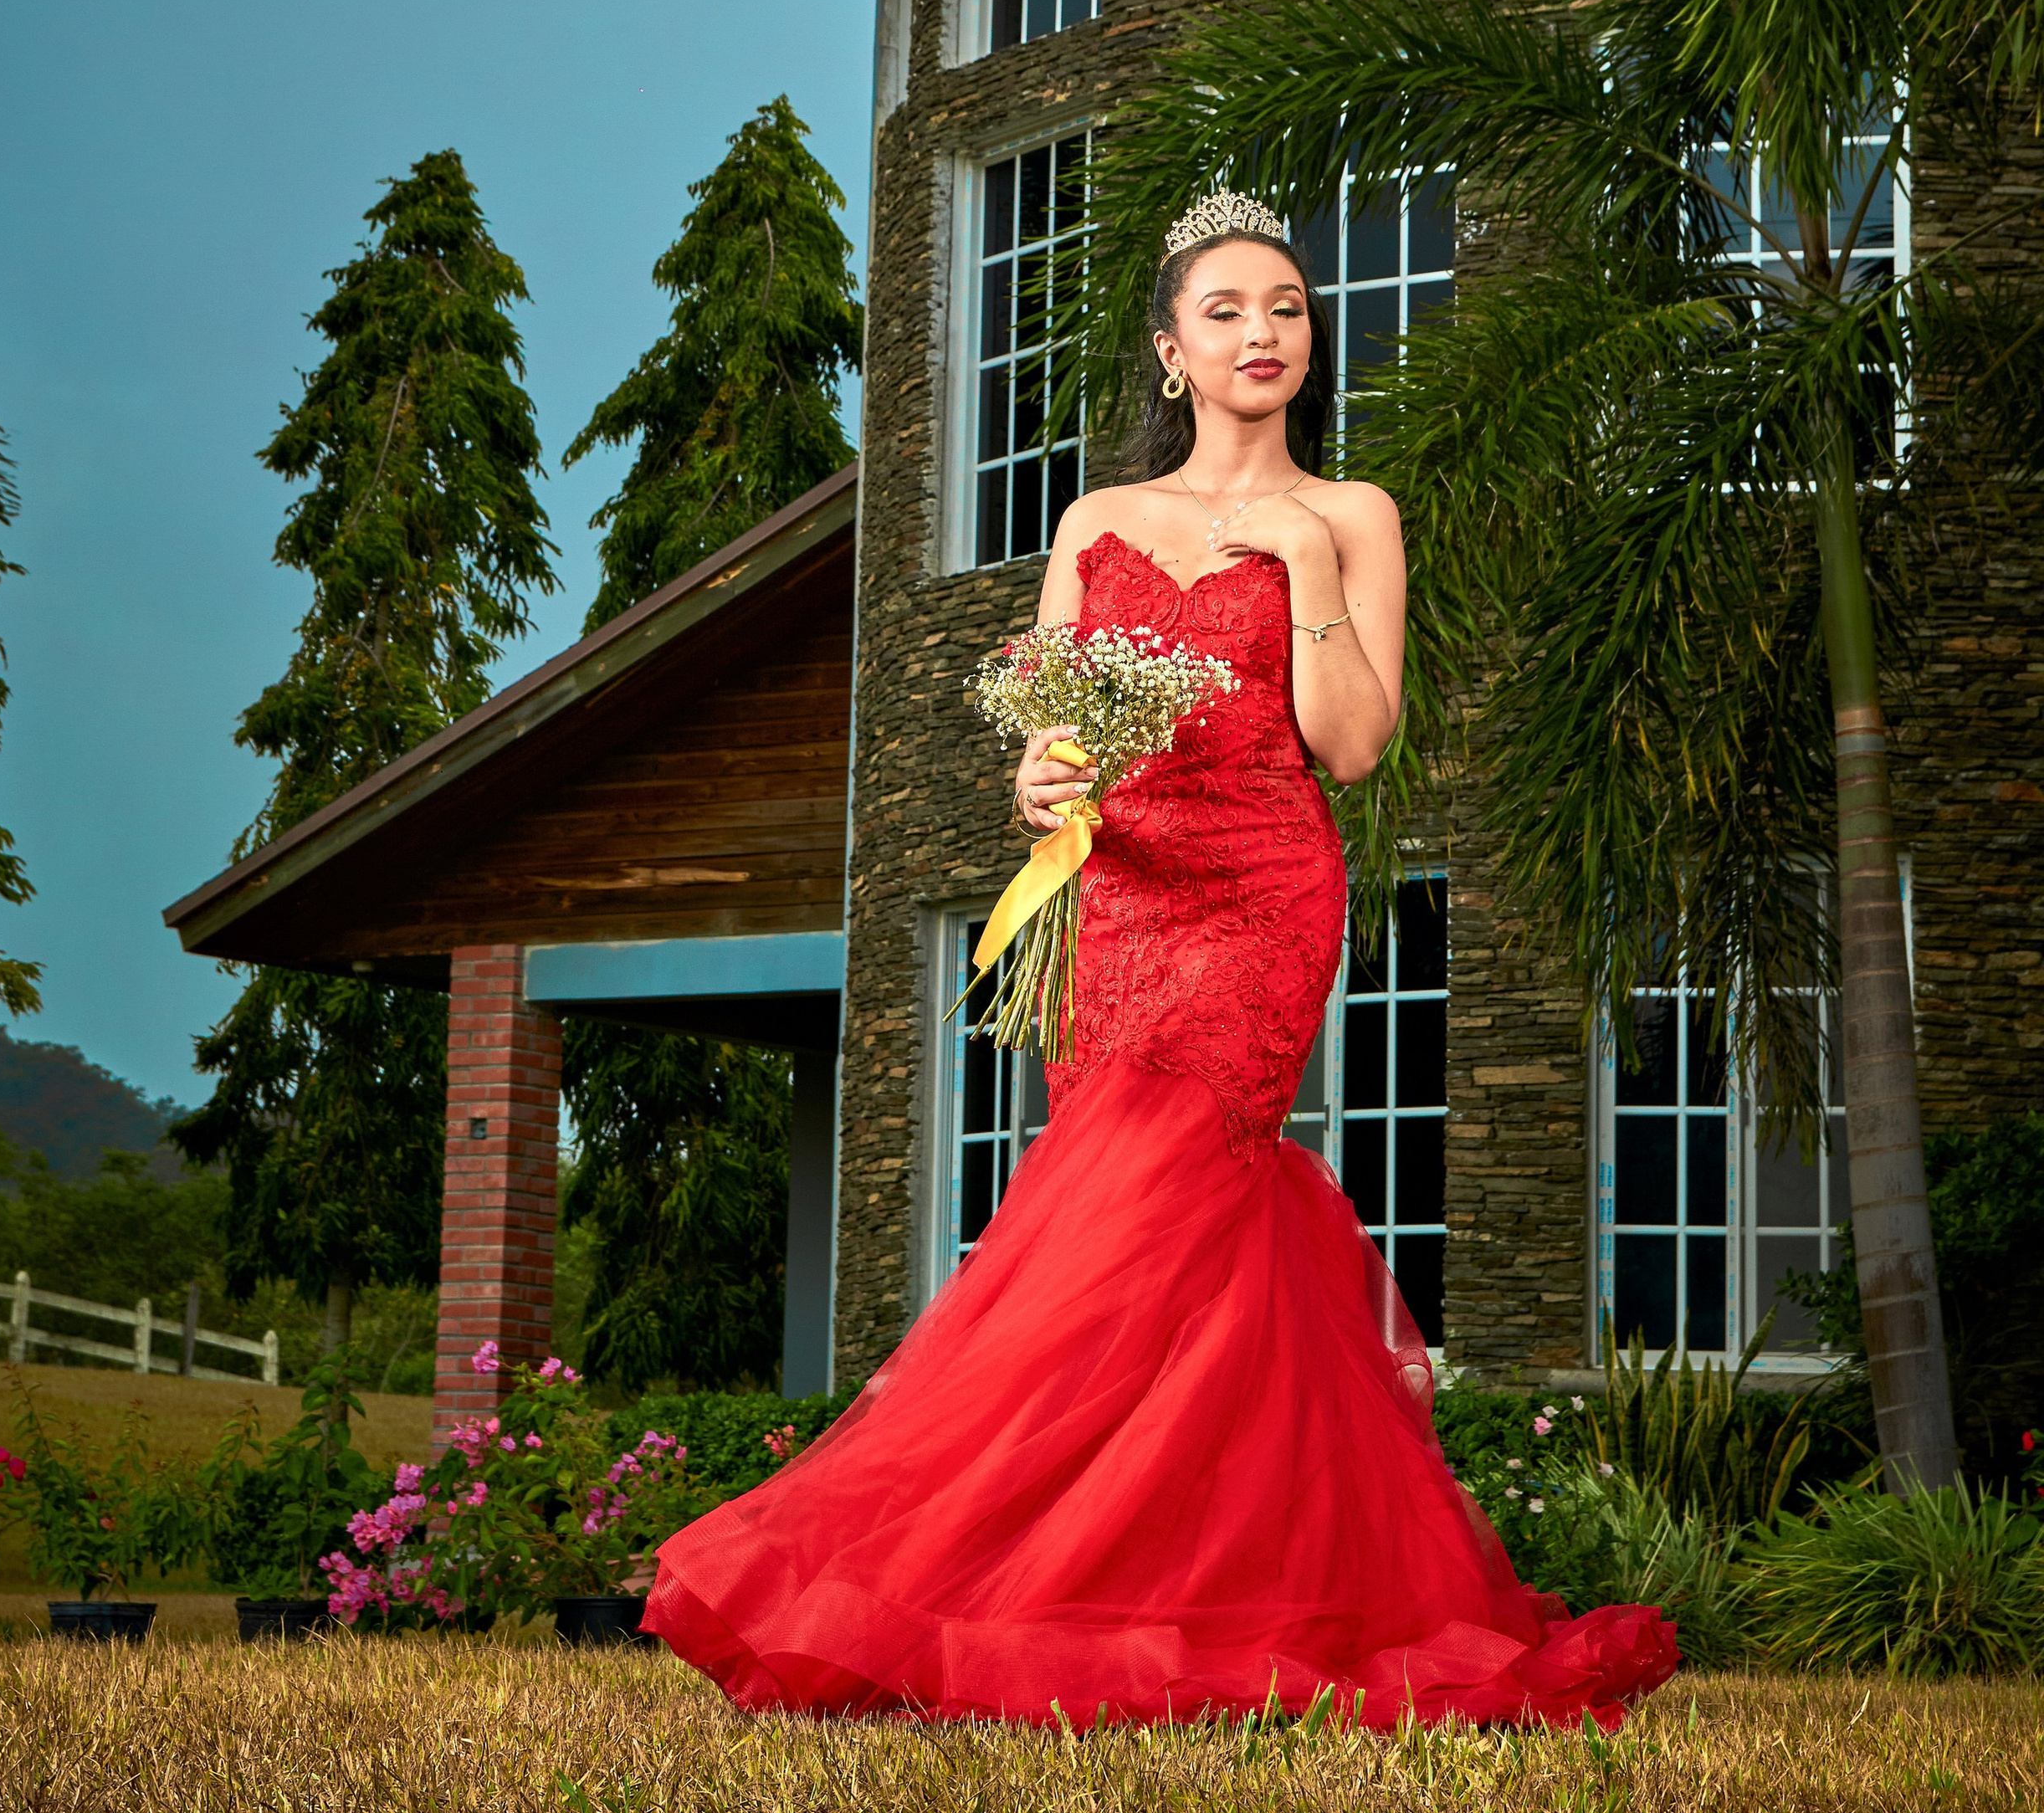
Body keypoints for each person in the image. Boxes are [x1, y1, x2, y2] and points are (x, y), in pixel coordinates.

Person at [644, 191, 1677, 1729]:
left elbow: (1355, 742)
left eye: (1289, 309)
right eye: (1228, 311)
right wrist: (1039, 781)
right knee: (1150, 1245)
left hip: (1262, 897)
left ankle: (975, 1578)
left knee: (1142, 1200)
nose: (1264, 333)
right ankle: (1107, 1593)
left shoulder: (1359, 513)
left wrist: (1306, 574)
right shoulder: (1094, 522)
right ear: (1171, 348)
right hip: (1116, 899)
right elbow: (1050, 725)